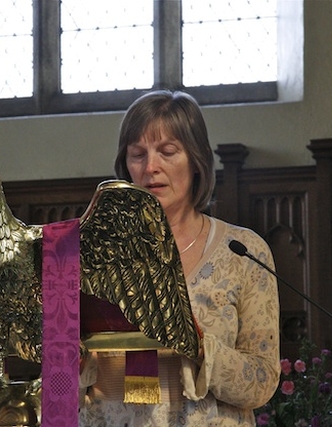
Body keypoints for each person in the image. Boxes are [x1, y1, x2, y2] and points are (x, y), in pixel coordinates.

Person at [78, 90, 281, 426]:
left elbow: (261, 382)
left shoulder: (243, 251)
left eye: (168, 152)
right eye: (138, 154)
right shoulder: (95, 253)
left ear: (197, 160)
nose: (151, 168)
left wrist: (201, 348)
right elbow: (65, 380)